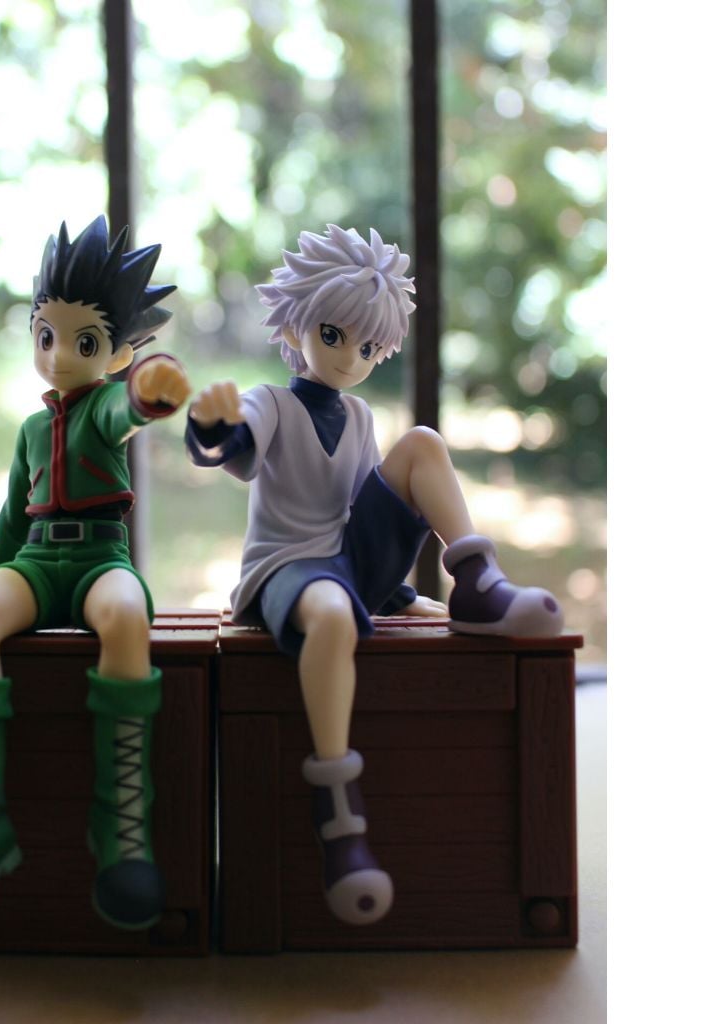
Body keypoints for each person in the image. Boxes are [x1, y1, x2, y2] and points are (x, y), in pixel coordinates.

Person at [185, 224, 562, 925]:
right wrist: (212, 427)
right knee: (330, 613)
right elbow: (235, 447)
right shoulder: (271, 401)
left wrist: (401, 596)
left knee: (421, 442)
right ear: (295, 328)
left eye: (368, 347)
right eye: (334, 335)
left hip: (346, 562)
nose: (350, 357)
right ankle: (337, 809)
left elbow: (367, 508)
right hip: (289, 569)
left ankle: (476, 581)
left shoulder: (358, 415)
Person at [0, 216, 191, 932]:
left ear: (118, 352)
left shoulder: (104, 408)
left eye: (84, 342)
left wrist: (150, 392)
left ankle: (121, 825)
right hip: (34, 558)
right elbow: (10, 518)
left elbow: (129, 410)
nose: (59, 354)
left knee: (126, 615)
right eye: (45, 335)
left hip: (99, 559)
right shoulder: (31, 430)